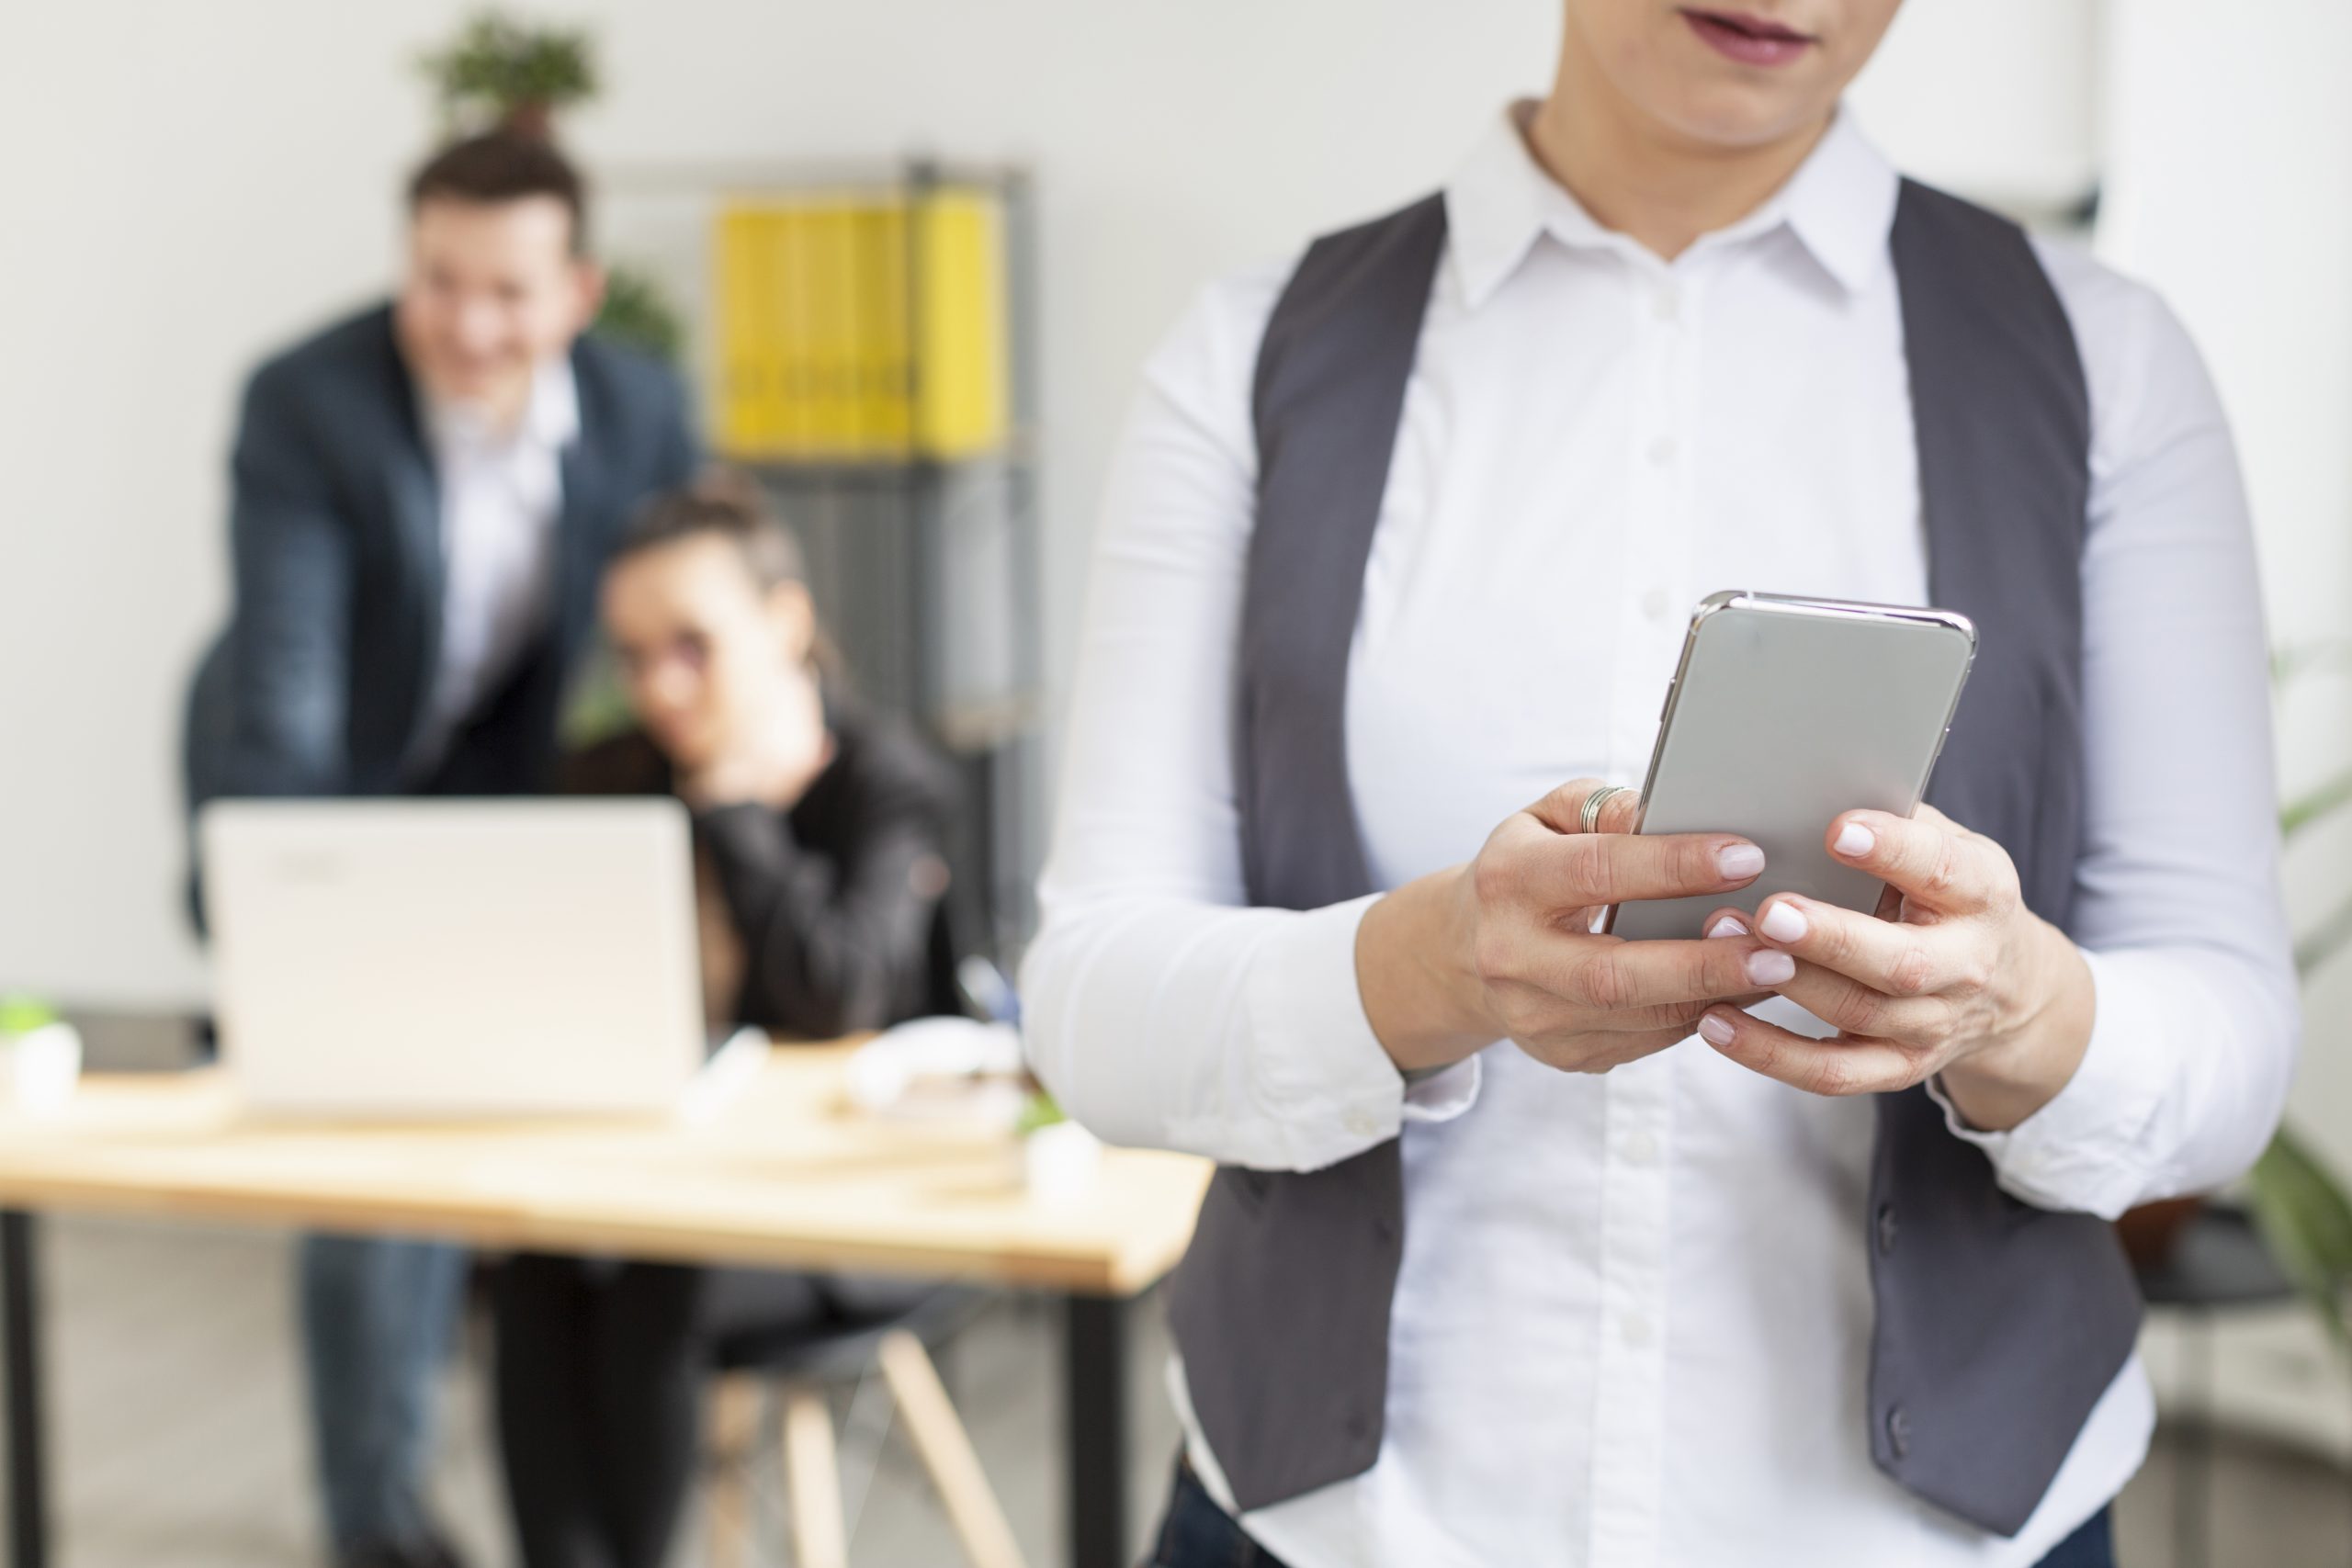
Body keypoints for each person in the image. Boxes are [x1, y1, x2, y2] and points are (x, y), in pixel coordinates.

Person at [1021, 4, 2299, 1567]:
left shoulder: (2107, 362)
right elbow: (1090, 998)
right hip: (1341, 1527)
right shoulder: (1253, 355)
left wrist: (2016, 1005)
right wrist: (1435, 967)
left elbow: (2232, 1034)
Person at [182, 130, 695, 1568]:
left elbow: (678, 612)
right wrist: (291, 923)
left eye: (509, 290)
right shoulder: (308, 403)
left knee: (536, 1131)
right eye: (437, 280)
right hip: (323, 772)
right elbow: (287, 684)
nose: (469, 324)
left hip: (506, 783)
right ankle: (377, 1523)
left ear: (580, 290)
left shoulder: (644, 409)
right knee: (371, 1144)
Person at [490, 479, 958, 1568]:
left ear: (786, 624)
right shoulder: (612, 777)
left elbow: (837, 993)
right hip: (667, 1176)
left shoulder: (888, 788)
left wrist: (738, 814)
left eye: (693, 645)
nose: (660, 685)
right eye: (634, 653)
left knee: (654, 1275)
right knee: (537, 1267)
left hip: (865, 1207)